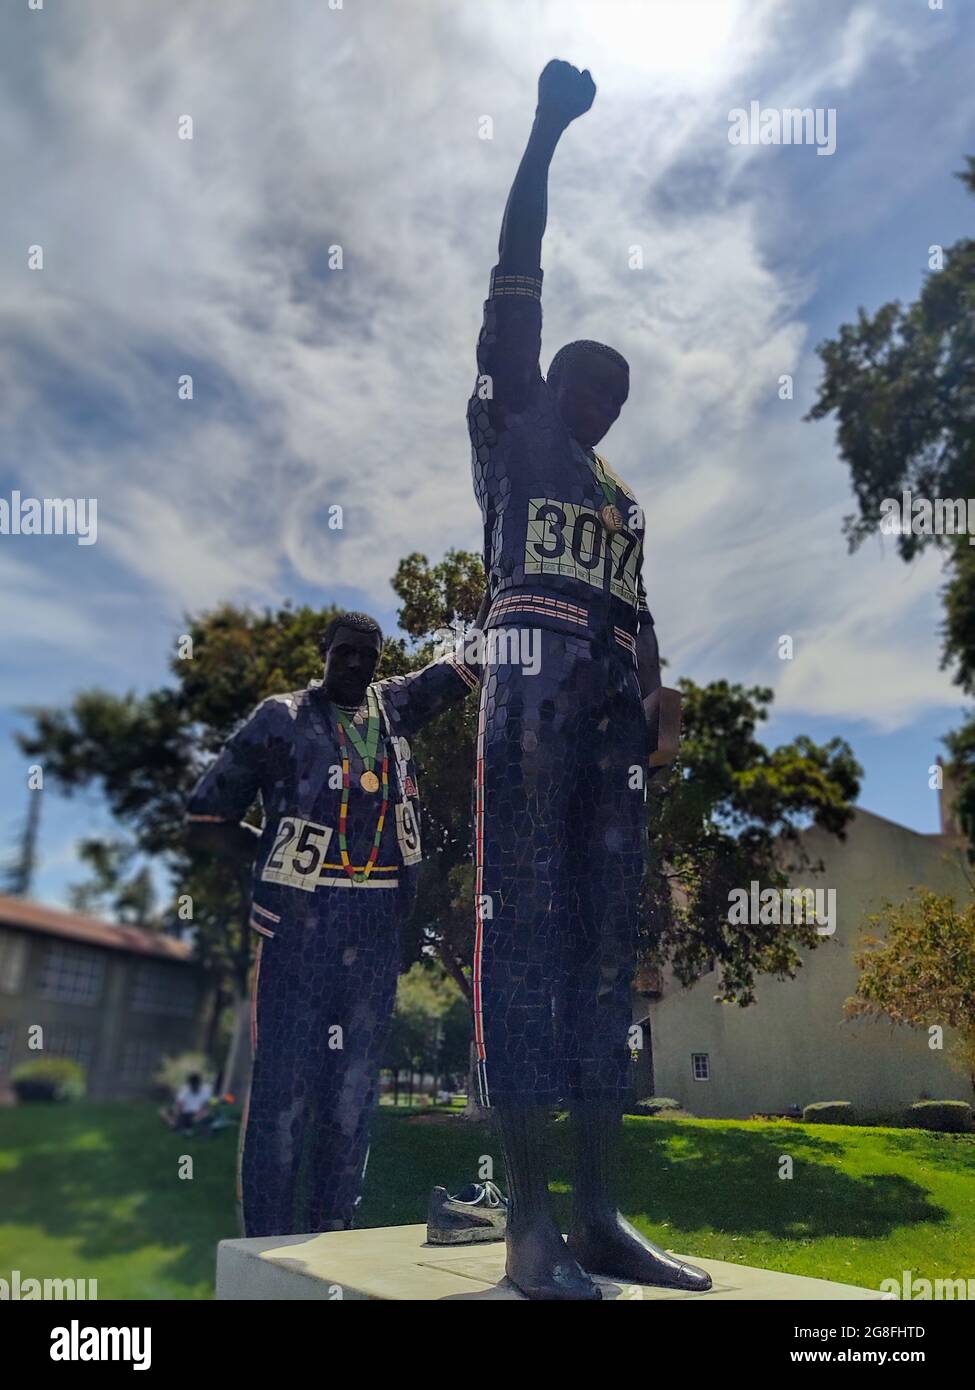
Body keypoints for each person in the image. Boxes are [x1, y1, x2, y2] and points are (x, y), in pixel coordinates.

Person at [467, 59, 712, 1299]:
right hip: (526, 694)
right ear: (551, 376)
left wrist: (664, 696)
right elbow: (519, 269)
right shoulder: (515, 422)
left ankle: (605, 1216)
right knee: (521, 945)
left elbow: (643, 610)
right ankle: (525, 1221)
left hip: (611, 720)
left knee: (604, 961)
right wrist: (547, 132)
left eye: (620, 397)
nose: (605, 406)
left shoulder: (619, 497)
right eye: (591, 384)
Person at [186, 612, 479, 1236]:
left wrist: (510, 614)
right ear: (323, 653)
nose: (355, 665)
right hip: (301, 921)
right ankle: (265, 1241)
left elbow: (460, 668)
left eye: (367, 655)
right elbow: (207, 818)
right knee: (285, 1089)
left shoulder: (394, 707)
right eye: (344, 653)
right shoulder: (280, 718)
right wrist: (270, 864)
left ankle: (333, 1232)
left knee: (352, 1092)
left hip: (374, 924)